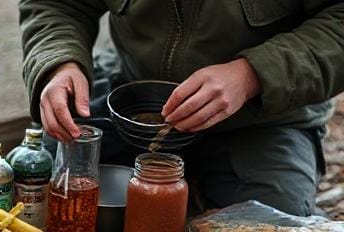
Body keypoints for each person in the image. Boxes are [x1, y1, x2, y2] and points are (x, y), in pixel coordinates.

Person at [19, 0, 344, 216]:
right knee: (41, 186)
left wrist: (252, 75)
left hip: (263, 118)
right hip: (135, 100)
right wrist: (60, 64)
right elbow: (57, 4)